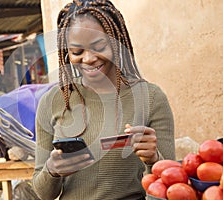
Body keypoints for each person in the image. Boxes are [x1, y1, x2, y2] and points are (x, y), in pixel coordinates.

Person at [32, 0, 175, 199]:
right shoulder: (53, 101)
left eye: (99, 46)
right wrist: (51, 170)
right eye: (77, 52)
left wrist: (154, 159)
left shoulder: (151, 98)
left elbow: (171, 185)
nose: (88, 58)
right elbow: (42, 193)